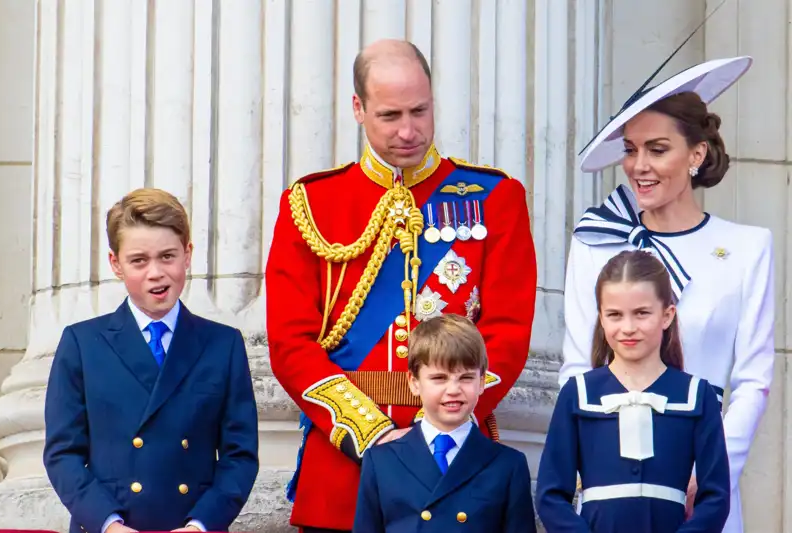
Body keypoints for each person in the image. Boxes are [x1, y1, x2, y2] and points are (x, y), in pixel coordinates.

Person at [266, 38, 537, 532]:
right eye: (390, 115)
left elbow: (509, 331)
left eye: (421, 110)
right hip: (344, 466)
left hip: (457, 461)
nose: (409, 131)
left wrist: (444, 425)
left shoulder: (495, 198)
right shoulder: (310, 204)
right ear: (358, 109)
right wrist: (368, 432)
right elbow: (289, 343)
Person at [560, 56, 774, 533]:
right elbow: (577, 368)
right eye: (631, 149)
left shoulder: (747, 248)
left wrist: (711, 470)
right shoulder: (596, 242)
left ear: (696, 154)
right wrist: (600, 463)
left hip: (703, 476)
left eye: (657, 149)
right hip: (611, 483)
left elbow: (754, 380)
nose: (639, 165)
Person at [43, 189, 259, 533]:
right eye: (139, 260)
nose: (156, 273)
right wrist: (109, 524)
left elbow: (240, 456)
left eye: (167, 256)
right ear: (116, 264)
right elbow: (63, 455)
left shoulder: (223, 344)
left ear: (187, 255)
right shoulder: (82, 343)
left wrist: (201, 525)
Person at [539, 250, 730, 532]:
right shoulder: (578, 393)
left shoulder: (696, 395)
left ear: (667, 316)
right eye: (615, 315)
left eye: (641, 313)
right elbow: (550, 495)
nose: (628, 328)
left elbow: (716, 497)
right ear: (601, 318)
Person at [353, 314, 537, 533]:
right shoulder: (381, 461)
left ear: (482, 382)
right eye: (439, 378)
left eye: (466, 378)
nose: (453, 390)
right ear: (414, 383)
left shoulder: (508, 465)